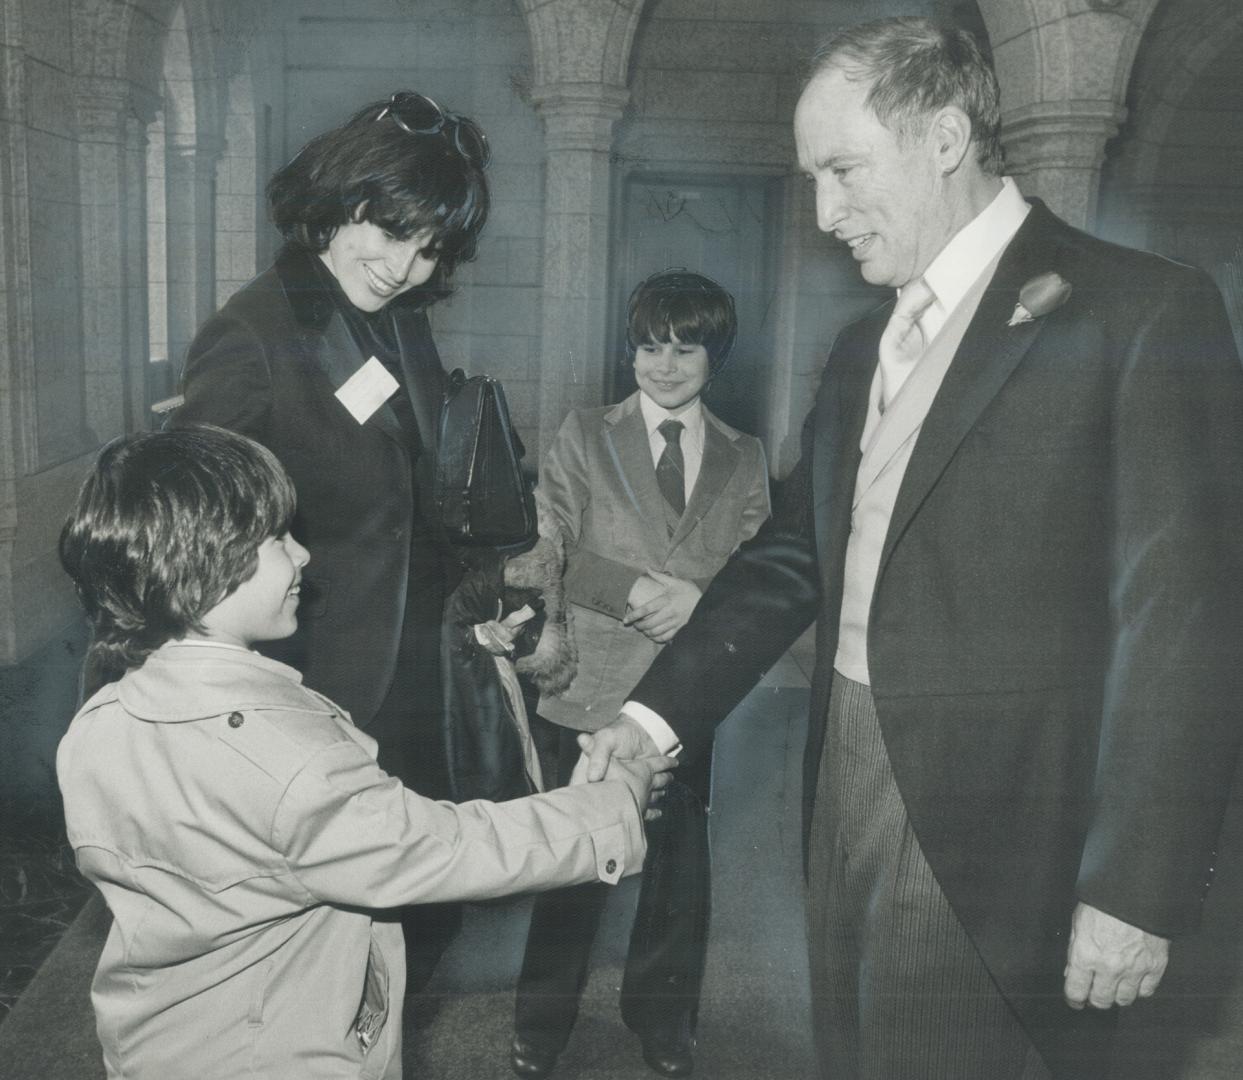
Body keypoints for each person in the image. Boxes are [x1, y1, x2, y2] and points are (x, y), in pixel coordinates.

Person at [576, 17, 1243, 1080]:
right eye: (810, 178)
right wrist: (653, 719)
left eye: (842, 170)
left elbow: (1182, 624)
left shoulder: (1137, 314)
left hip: (1007, 813)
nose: (823, 212)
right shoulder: (860, 348)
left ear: (942, 136)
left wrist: (1135, 889)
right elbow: (791, 559)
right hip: (844, 765)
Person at [55, 424, 672, 1080]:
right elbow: (438, 848)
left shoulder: (99, 723)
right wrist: (609, 810)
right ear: (203, 564)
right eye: (276, 540)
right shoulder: (282, 758)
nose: (302, 556)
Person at [172, 90, 490, 983]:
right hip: (313, 689)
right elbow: (193, 550)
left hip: (412, 682)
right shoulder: (252, 334)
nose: (405, 266)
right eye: (387, 232)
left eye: (429, 248)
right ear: (339, 198)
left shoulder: (399, 319)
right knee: (316, 954)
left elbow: (406, 493)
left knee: (412, 929)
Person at [509, 269, 770, 1080]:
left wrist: (700, 598)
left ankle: (663, 1024)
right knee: (570, 867)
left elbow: (764, 568)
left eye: (683, 349)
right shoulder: (584, 433)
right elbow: (543, 551)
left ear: (713, 355)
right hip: (588, 685)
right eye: (648, 347)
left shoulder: (744, 455)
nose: (663, 365)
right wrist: (636, 592)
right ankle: (539, 1026)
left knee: (678, 873)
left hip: (690, 695)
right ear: (629, 351)